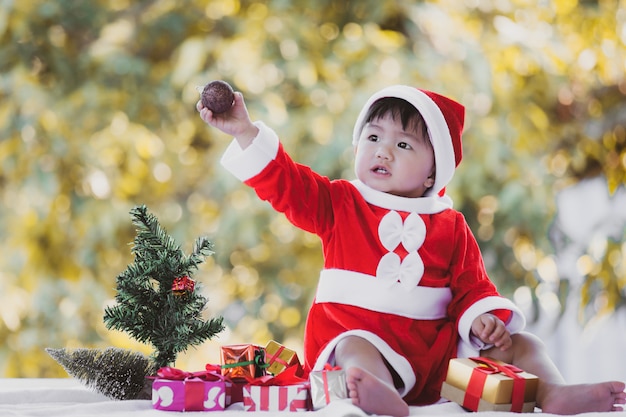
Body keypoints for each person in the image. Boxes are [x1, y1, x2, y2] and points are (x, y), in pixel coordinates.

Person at [197, 84, 626, 416]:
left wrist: (485, 321)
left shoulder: (451, 225)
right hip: (361, 343)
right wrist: (246, 132)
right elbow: (287, 183)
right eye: (373, 136)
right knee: (353, 347)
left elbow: (471, 287)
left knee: (523, 342)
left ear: (432, 174)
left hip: (438, 368)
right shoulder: (339, 202)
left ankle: (550, 391)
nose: (382, 149)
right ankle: (377, 395)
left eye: (403, 145)